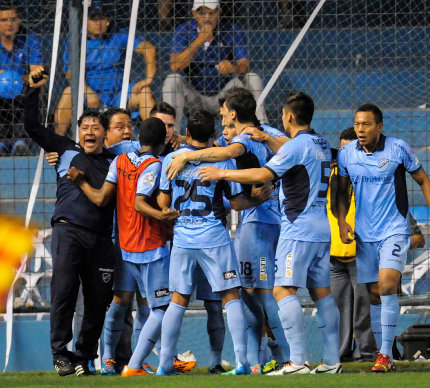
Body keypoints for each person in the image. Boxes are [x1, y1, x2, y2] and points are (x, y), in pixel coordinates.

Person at [198, 91, 342, 375]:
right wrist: (268, 140)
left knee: (281, 290)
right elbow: (291, 151)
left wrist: (221, 174)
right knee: (322, 294)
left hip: (297, 226)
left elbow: (263, 174)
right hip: (322, 227)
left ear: (288, 116)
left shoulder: (292, 146)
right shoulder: (321, 143)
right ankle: (332, 359)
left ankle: (297, 361)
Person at [162, 87, 290, 373]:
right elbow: (214, 143)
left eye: (224, 117)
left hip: (258, 219)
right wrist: (184, 141)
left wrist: (185, 157)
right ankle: (262, 360)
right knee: (251, 291)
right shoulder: (265, 132)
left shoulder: (242, 140)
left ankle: (284, 359)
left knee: (260, 291)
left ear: (233, 113)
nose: (222, 124)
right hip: (269, 218)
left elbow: (226, 152)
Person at [65, 118, 181, 377]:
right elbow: (143, 203)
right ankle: (137, 364)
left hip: (124, 246)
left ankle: (107, 359)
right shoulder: (156, 165)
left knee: (120, 302)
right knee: (160, 308)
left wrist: (81, 182)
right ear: (163, 141)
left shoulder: (120, 162)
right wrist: (163, 216)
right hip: (150, 246)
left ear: (139, 138)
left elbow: (100, 198)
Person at [335, 103, 430, 373]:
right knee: (374, 295)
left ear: (379, 127)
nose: (360, 129)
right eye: (357, 124)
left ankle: (384, 355)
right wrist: (341, 222)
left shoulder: (398, 149)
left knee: (387, 285)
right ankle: (383, 351)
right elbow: (341, 189)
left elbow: (423, 180)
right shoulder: (346, 154)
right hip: (364, 234)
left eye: (366, 124)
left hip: (394, 229)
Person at [24, 66, 116, 377]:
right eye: (84, 127)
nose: (89, 131)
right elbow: (32, 127)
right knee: (63, 293)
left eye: (95, 127)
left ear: (104, 133)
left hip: (102, 239)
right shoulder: (64, 150)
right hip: (68, 232)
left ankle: (84, 356)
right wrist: (33, 90)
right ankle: (60, 355)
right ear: (78, 133)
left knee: (97, 301)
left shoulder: (115, 161)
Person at [156, 109, 262, 376]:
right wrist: (258, 198)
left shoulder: (171, 158)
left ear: (187, 133)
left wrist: (171, 214)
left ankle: (164, 364)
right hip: (213, 237)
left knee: (177, 300)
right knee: (230, 296)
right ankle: (241, 363)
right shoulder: (224, 163)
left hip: (182, 237)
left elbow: (162, 201)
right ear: (215, 134)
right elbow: (237, 203)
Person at [162, 0, 267, 133]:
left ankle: (260, 131)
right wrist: (200, 39)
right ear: (194, 13)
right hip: (194, 95)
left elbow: (244, 65)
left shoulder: (231, 29)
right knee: (172, 80)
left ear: (219, 12)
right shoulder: (184, 30)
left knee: (253, 78)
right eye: (202, 13)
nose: (207, 18)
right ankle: (171, 136)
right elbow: (175, 66)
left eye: (211, 13)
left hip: (224, 96)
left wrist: (232, 67)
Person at [54, 2, 156, 136]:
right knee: (68, 93)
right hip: (91, 95)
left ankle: (155, 142)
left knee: (145, 92)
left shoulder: (119, 35)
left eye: (102, 18)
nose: (98, 23)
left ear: (108, 20)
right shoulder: (76, 40)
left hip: (120, 95)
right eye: (94, 19)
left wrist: (148, 79)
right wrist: (87, 92)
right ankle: (56, 146)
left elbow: (149, 49)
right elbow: (70, 73)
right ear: (85, 21)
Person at [327, 127, 377, 363]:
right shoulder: (329, 174)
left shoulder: (367, 174)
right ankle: (341, 354)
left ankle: (366, 353)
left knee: (361, 311)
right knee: (339, 311)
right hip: (333, 255)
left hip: (360, 253)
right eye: (342, 149)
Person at [0, 2, 43, 156]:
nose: (10, 24)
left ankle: (22, 143)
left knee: (37, 88)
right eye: (4, 20)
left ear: (19, 20)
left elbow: (37, 73)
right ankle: (2, 144)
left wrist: (18, 78)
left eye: (13, 19)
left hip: (23, 90)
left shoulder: (29, 38)